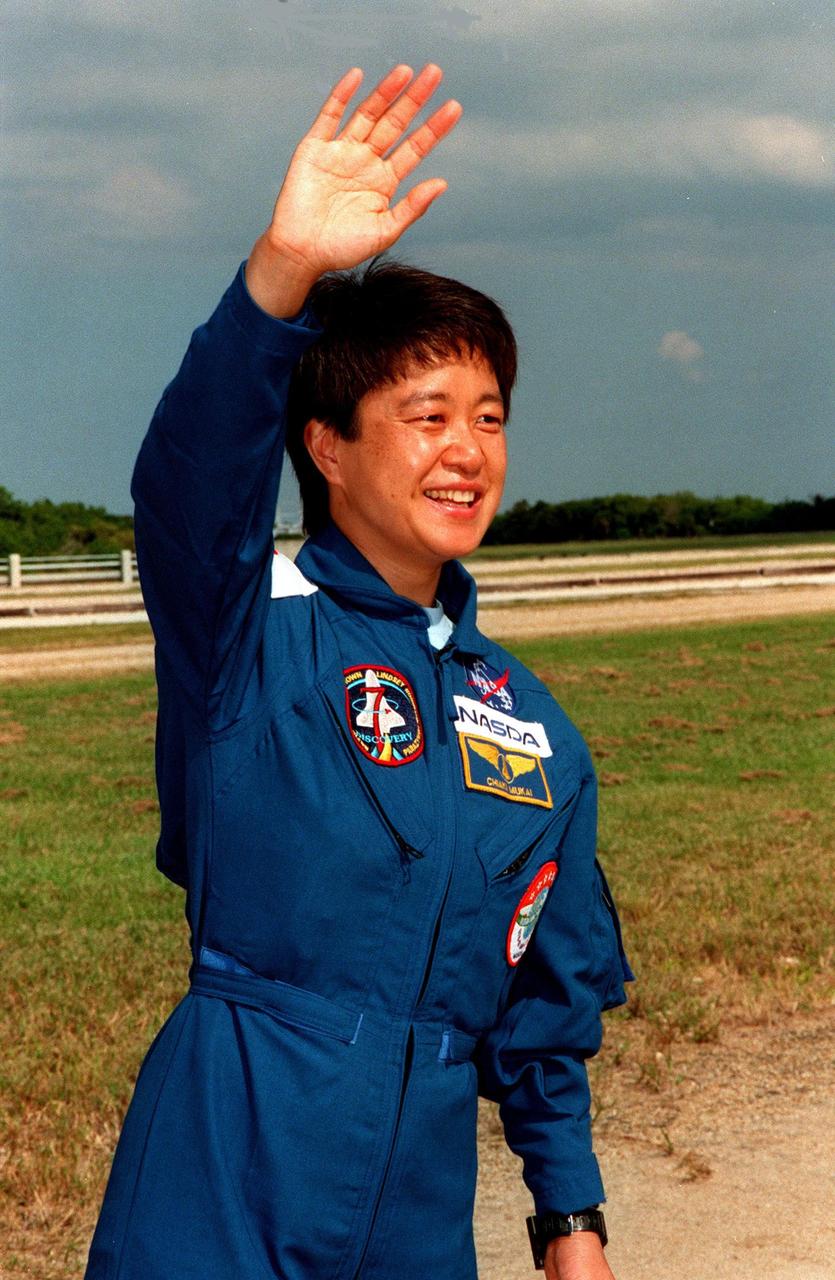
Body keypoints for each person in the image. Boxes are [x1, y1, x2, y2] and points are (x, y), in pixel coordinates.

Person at [84, 63, 632, 1280]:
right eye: (427, 413)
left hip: (416, 1221)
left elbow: (547, 1008)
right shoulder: (249, 635)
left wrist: (570, 1219)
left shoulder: (534, 731)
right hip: (224, 1175)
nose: (467, 450)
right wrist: (282, 272)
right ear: (326, 446)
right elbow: (187, 494)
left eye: (489, 415)